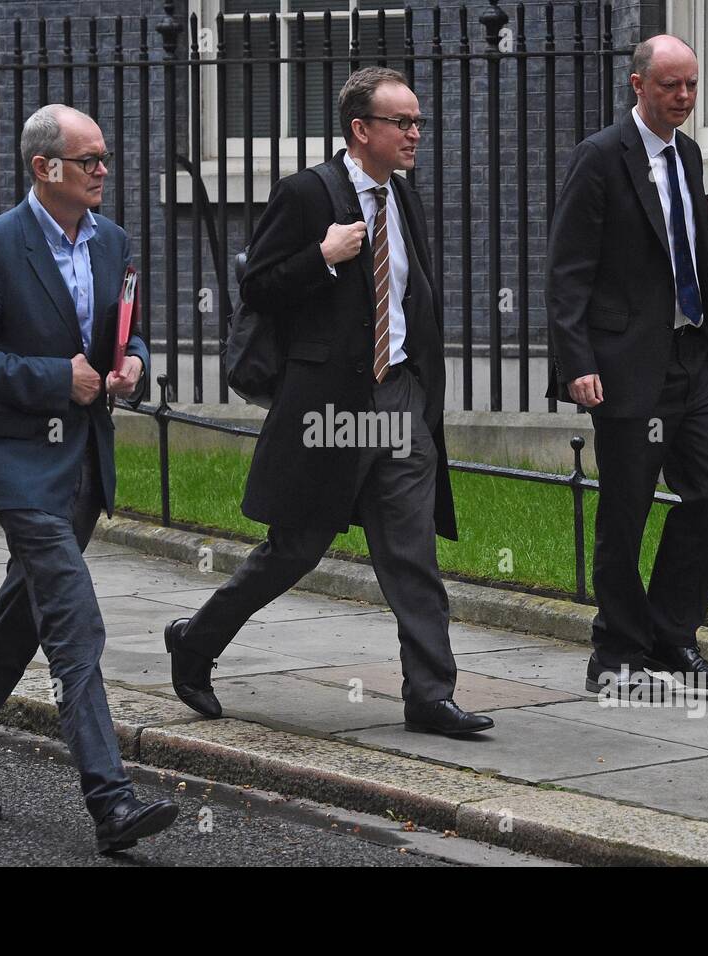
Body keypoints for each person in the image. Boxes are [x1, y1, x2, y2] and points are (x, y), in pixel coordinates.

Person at [164, 67, 493, 737]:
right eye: (401, 122)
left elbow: (412, 294)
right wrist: (320, 254)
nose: (414, 133)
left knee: (411, 552)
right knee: (296, 549)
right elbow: (258, 285)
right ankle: (196, 643)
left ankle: (430, 694)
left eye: (417, 122)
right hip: (331, 408)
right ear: (360, 129)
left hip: (399, 395)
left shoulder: (405, 196)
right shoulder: (307, 194)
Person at [0, 104, 178, 853]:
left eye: (104, 158)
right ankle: (112, 802)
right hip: (19, 465)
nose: (104, 170)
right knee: (75, 622)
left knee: (18, 624)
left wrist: (133, 362)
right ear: (45, 168)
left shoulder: (116, 242)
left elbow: (124, 329)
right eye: (90, 159)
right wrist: (53, 379)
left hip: (84, 466)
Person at [546, 36, 708, 696]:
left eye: (693, 85)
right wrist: (577, 361)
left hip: (692, 356)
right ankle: (614, 651)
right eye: (672, 85)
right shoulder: (598, 160)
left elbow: (689, 237)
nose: (686, 98)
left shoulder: (687, 155)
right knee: (625, 508)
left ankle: (672, 635)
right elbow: (566, 271)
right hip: (625, 364)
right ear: (638, 86)